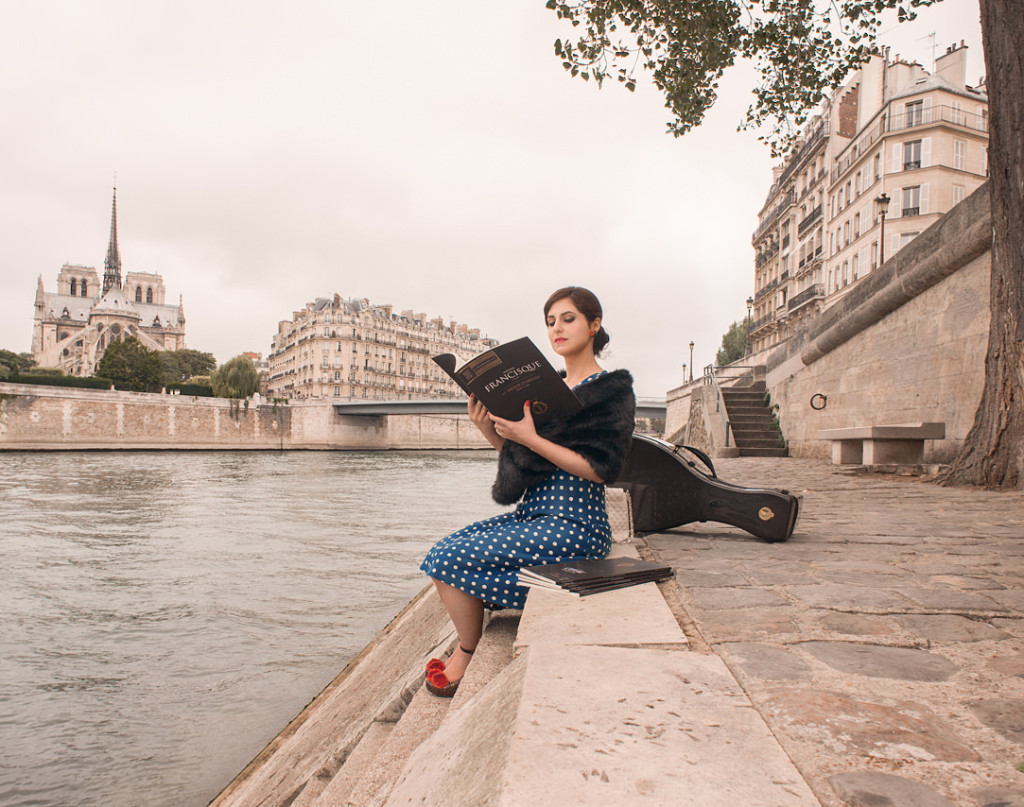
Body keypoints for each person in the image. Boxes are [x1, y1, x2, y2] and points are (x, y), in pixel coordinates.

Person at [420, 286, 635, 697]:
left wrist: (531, 438)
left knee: (447, 557)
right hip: (533, 514)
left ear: (594, 325)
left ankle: (467, 649)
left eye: (568, 319)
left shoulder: (611, 390)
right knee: (442, 550)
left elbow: (599, 469)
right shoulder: (545, 387)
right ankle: (478, 628)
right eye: (550, 321)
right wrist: (488, 427)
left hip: (575, 524)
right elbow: (527, 458)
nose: (557, 328)